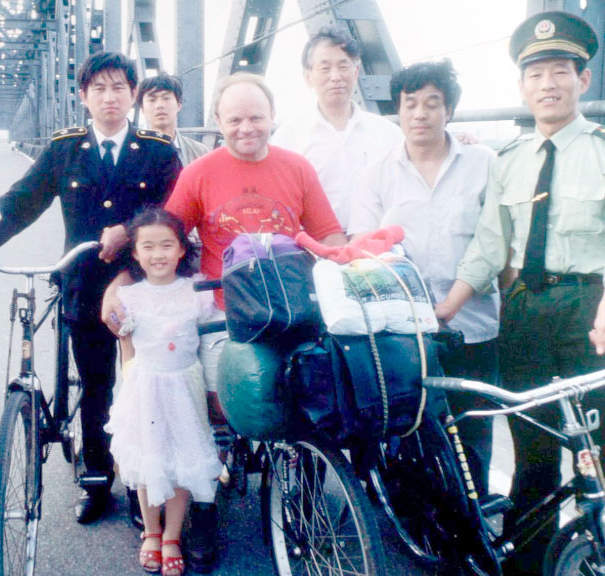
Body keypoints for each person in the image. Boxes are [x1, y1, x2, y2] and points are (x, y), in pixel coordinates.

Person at [104, 71, 347, 572]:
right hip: (223, 310)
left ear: (273, 117)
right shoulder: (201, 173)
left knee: (309, 393)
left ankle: (305, 494)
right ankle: (204, 506)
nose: (246, 128)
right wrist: (120, 284)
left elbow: (329, 234)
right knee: (218, 407)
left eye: (256, 117)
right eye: (234, 119)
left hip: (291, 306)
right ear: (217, 121)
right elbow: (162, 237)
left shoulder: (297, 167)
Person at [435, 12, 605, 576]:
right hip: (526, 314)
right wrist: (446, 309)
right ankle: (529, 568)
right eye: (536, 75)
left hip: (592, 313)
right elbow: (489, 246)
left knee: (597, 454)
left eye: (560, 72)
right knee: (534, 457)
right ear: (522, 86)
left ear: (583, 80)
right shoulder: (509, 161)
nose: (547, 85)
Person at [0, 51, 182, 526]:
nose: (109, 97)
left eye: (119, 88)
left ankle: (147, 485)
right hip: (82, 286)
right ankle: (97, 479)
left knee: (149, 384)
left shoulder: (158, 152)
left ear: (133, 94)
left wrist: (130, 232)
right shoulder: (64, 149)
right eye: (99, 89)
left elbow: (175, 213)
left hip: (145, 284)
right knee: (97, 385)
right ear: (83, 96)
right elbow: (19, 204)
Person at [349, 59, 499, 493]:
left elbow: (496, 242)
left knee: (474, 435)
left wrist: (450, 305)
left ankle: (473, 523)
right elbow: (363, 245)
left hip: (473, 326)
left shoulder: (485, 163)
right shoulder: (377, 172)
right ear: (397, 110)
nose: (420, 113)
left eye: (432, 103)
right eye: (410, 103)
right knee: (411, 435)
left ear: (449, 111)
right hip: (404, 333)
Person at [105, 208, 223, 576]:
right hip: (146, 388)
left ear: (182, 249)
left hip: (184, 388)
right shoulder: (129, 296)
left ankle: (172, 535)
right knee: (148, 461)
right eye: (149, 246)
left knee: (183, 460)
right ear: (135, 253)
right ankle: (151, 532)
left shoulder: (197, 291)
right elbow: (126, 349)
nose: (158, 254)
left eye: (167, 245)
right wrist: (125, 394)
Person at [270, 26, 402, 229]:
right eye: (325, 68)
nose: (335, 76)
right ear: (308, 77)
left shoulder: (389, 133)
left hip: (375, 240)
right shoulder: (288, 136)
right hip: (313, 243)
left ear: (356, 72)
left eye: (343, 66)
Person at [137, 74, 210, 166]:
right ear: (142, 109)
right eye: (152, 100)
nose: (160, 105)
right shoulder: (133, 152)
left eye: (166, 98)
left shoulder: (199, 152)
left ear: (179, 105)